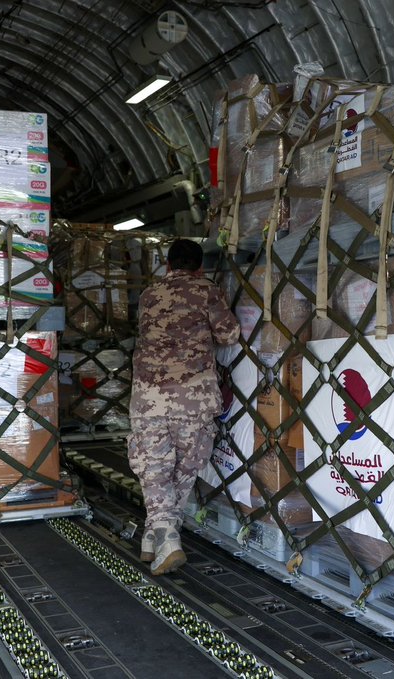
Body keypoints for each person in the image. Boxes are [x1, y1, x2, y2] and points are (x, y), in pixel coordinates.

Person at [128, 239, 239, 576]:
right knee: (183, 471)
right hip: (193, 398)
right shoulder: (207, 290)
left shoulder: (149, 295)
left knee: (154, 469)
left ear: (168, 265)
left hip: (149, 398)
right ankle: (167, 535)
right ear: (200, 267)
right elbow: (229, 334)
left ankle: (155, 536)